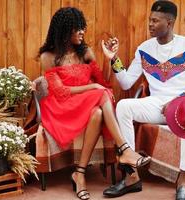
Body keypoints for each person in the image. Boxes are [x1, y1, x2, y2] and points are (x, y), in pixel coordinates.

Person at [101, 1, 185, 200]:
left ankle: (183, 180)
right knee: (124, 106)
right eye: (149, 20)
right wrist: (113, 59)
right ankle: (132, 175)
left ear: (169, 23)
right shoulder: (144, 48)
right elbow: (127, 83)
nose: (150, 24)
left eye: (155, 21)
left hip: (183, 108)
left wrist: (179, 100)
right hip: (157, 106)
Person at [38, 7, 150, 200]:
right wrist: (92, 88)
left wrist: (109, 59)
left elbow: (104, 82)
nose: (82, 32)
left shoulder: (86, 52)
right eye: (77, 28)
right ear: (64, 30)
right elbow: (61, 92)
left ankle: (79, 173)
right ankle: (125, 150)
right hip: (61, 107)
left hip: (87, 103)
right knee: (100, 94)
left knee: (98, 110)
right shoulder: (48, 57)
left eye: (83, 28)